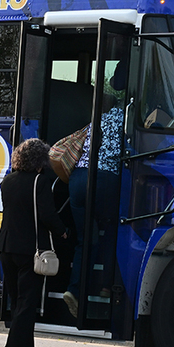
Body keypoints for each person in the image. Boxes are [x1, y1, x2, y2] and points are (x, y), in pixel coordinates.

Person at [0, 139, 68, 347]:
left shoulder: (7, 181)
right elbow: (47, 215)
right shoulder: (40, 182)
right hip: (30, 250)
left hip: (7, 247)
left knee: (18, 306)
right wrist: (62, 231)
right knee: (26, 308)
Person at [61, 67, 127, 319]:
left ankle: (75, 290)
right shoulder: (127, 120)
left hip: (78, 179)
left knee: (85, 239)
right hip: (106, 179)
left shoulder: (98, 119)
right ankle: (107, 285)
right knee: (113, 231)